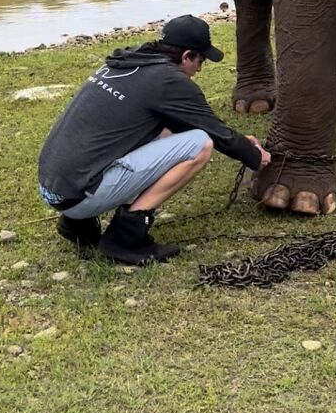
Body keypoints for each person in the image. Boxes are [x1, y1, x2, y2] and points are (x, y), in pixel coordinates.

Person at [38, 15, 270, 265]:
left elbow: (183, 125)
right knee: (201, 145)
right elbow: (215, 133)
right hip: (79, 196)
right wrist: (257, 157)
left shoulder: (126, 62)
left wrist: (240, 141)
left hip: (55, 189)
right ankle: (125, 237)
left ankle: (77, 225)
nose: (200, 69)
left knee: (167, 131)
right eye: (200, 61)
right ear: (187, 56)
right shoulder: (169, 80)